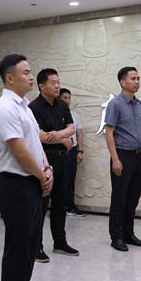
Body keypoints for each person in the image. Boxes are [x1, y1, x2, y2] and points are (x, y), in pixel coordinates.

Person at [0, 54, 54, 281]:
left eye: (30, 71)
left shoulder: (24, 106)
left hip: (33, 180)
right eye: (26, 72)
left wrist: (47, 168)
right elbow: (19, 151)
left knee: (30, 246)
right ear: (9, 78)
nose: (31, 76)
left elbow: (35, 144)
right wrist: (42, 176)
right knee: (17, 249)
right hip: (17, 184)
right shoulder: (5, 107)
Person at [29, 69, 78, 260]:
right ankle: (36, 247)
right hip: (45, 160)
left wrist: (58, 135)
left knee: (60, 203)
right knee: (41, 205)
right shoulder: (34, 107)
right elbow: (40, 136)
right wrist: (63, 138)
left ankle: (60, 242)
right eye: (53, 83)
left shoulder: (62, 105)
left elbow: (71, 128)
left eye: (58, 82)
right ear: (42, 86)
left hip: (63, 159)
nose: (57, 86)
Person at [102, 66, 141, 252]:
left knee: (133, 198)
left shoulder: (139, 104)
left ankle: (128, 233)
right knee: (119, 198)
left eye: (138, 78)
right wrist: (115, 159)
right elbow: (109, 132)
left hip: (139, 156)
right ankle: (116, 236)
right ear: (123, 82)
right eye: (133, 78)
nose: (137, 82)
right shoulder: (115, 104)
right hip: (123, 155)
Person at [59, 88, 85, 217]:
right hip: (59, 151)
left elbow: (79, 133)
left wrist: (80, 151)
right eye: (65, 98)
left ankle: (71, 206)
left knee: (70, 180)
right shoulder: (55, 114)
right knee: (59, 181)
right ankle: (58, 208)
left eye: (69, 97)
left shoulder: (74, 115)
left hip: (73, 151)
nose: (68, 100)